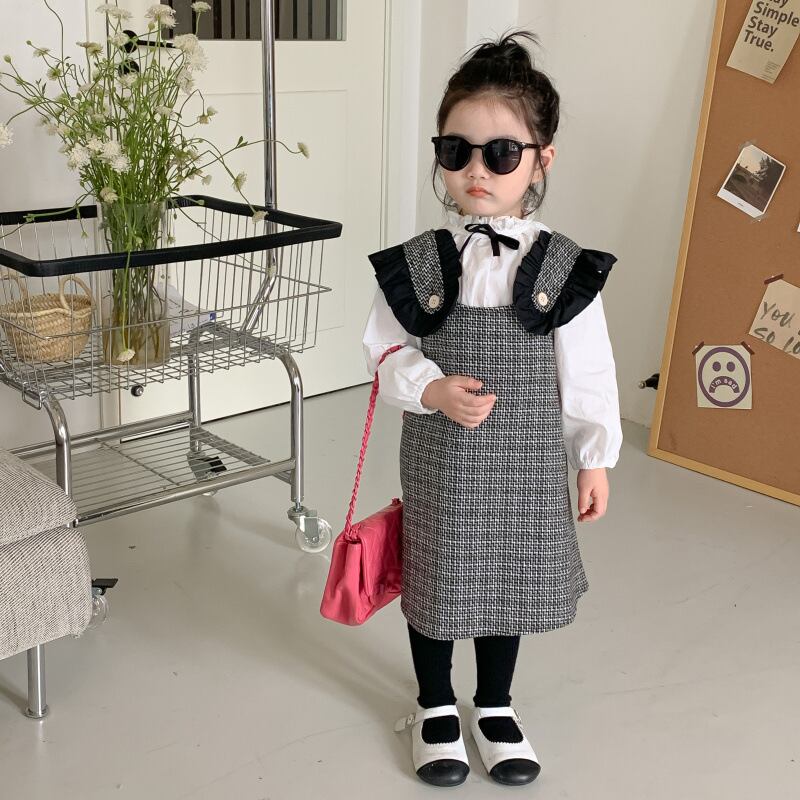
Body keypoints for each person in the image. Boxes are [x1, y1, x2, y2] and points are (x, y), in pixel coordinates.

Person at [363, 30, 622, 788]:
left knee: (510, 576)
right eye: (457, 151)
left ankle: (495, 704)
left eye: (502, 153)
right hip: (442, 459)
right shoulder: (419, 263)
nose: (477, 170)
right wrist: (428, 386)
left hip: (527, 462)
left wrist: (595, 457)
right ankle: (434, 704)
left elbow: (588, 371)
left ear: (542, 160)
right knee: (438, 574)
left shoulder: (563, 268)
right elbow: (381, 349)